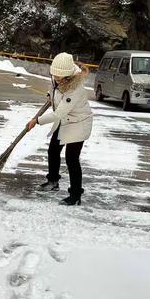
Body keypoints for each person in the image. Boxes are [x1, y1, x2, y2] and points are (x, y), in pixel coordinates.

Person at [27, 52, 93, 206]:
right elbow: (54, 91)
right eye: (54, 75)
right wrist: (51, 95)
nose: (56, 78)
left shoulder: (75, 88)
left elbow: (60, 113)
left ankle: (75, 194)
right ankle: (53, 181)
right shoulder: (58, 79)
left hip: (78, 124)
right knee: (53, 150)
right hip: (64, 122)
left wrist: (36, 121)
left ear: (68, 75)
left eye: (59, 76)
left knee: (72, 159)